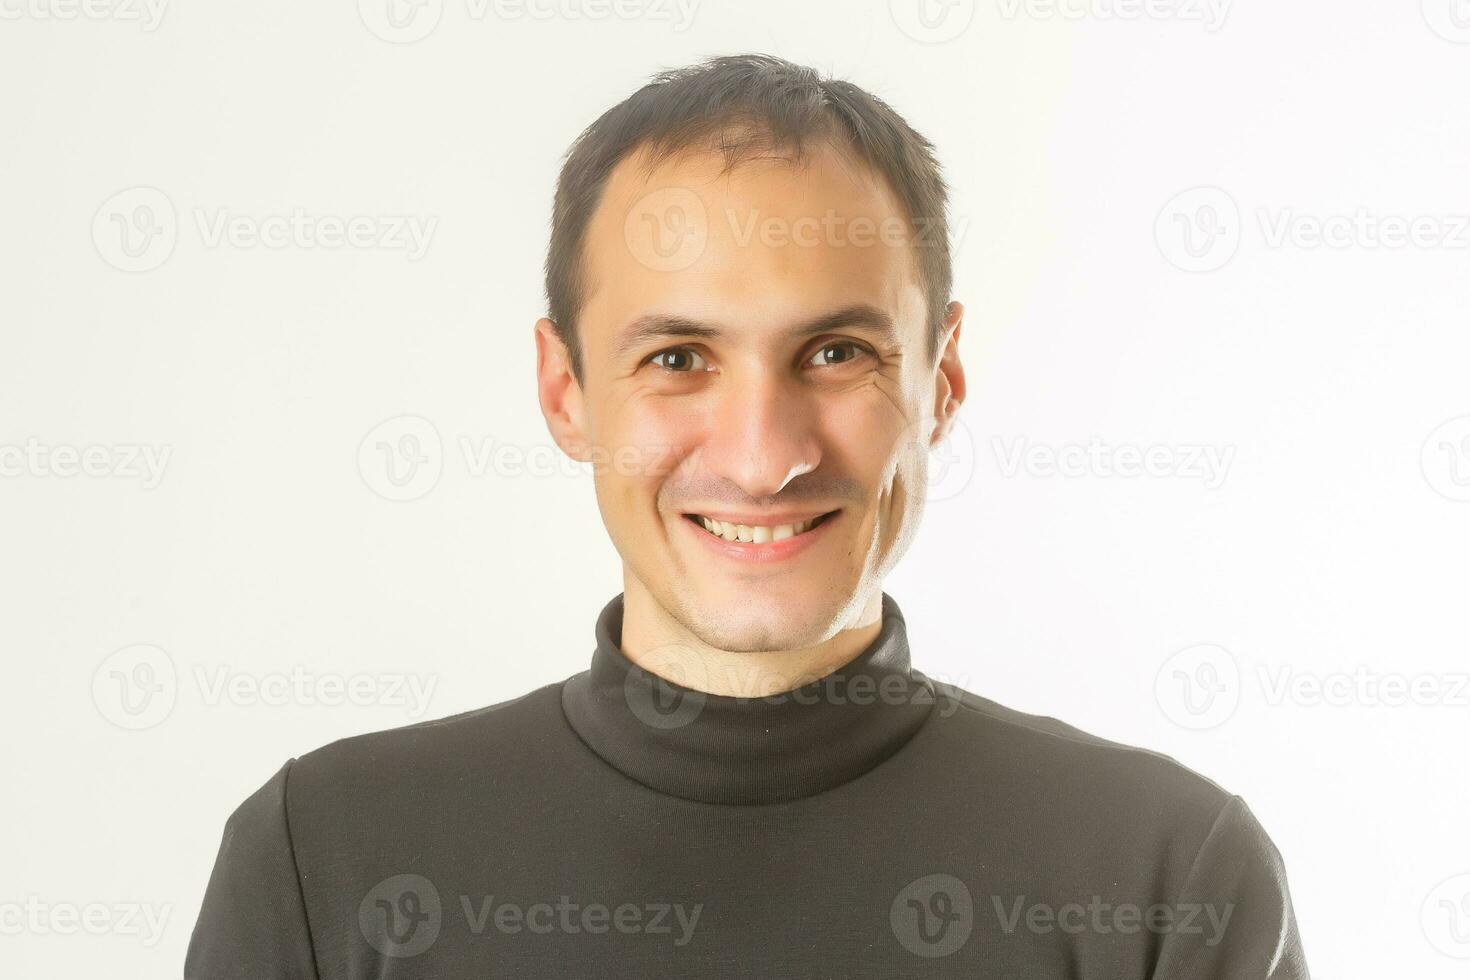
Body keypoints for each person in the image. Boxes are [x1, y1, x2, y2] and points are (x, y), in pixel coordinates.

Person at [186, 53, 1310, 978]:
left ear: (942, 379)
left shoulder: (1169, 878)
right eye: (678, 357)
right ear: (564, 390)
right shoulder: (325, 855)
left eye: (836, 353)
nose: (765, 456)